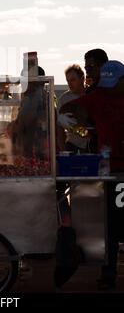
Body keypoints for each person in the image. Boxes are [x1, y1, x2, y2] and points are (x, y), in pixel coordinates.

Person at [60, 60, 124, 290]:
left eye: (113, 84)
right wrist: (76, 127)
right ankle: (109, 272)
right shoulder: (98, 98)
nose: (108, 88)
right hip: (110, 170)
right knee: (111, 224)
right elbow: (68, 109)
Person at [57, 64, 89, 153]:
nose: (70, 84)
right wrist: (63, 150)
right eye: (68, 81)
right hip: (73, 145)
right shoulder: (64, 99)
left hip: (92, 144)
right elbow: (59, 129)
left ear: (82, 79)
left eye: (73, 80)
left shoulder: (91, 94)